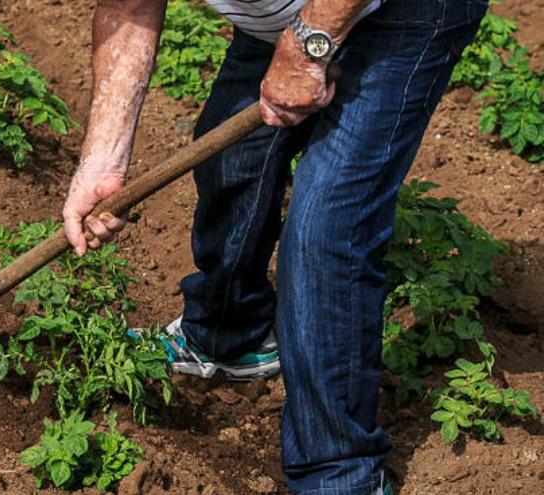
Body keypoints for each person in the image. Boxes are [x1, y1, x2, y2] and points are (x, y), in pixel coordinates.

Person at [61, 0, 487, 493]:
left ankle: (339, 476)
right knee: (230, 163)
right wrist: (102, 162)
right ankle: (229, 335)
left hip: (405, 13)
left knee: (327, 224)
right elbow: (129, 9)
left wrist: (309, 45)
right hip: (289, 17)